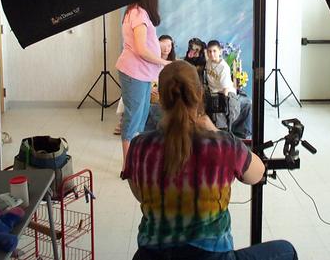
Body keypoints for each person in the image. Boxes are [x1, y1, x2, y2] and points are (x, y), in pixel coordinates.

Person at [123, 61, 297, 260]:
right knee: (286, 250)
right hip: (212, 256)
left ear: (160, 99)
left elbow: (141, 195)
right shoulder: (224, 145)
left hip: (150, 256)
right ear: (199, 94)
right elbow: (257, 174)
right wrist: (215, 131)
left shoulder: (138, 146)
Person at [115, 0, 170, 170]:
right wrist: (164, 62)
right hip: (134, 73)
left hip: (142, 74)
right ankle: (127, 166)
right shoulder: (138, 13)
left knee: (141, 117)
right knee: (133, 118)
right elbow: (141, 50)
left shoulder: (137, 11)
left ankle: (135, 159)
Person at [205, 40, 240, 131]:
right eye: (209, 51)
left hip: (225, 93)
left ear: (220, 51)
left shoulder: (223, 67)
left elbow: (225, 90)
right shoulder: (209, 62)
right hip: (213, 92)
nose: (212, 54)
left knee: (221, 119)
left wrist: (223, 104)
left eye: (214, 51)